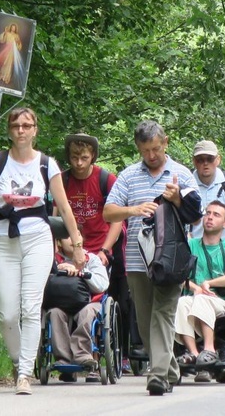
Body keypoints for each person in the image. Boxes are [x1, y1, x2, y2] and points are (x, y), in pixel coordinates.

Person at [0, 107, 84, 395]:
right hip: (4, 239)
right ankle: (17, 360)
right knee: (7, 314)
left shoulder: (46, 164)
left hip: (38, 239)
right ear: (10, 131)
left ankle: (25, 372)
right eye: (16, 126)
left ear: (35, 129)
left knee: (30, 306)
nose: (21, 130)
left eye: (27, 125)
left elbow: (64, 207)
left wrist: (77, 246)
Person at [103, 120, 200, 396]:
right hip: (137, 260)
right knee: (145, 322)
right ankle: (170, 369)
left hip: (171, 258)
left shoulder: (181, 174)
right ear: (138, 148)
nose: (152, 155)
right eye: (145, 150)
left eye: (156, 149)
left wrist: (178, 198)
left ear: (165, 142)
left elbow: (196, 214)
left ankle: (156, 376)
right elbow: (108, 212)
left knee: (163, 315)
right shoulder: (129, 176)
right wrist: (133, 210)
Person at [58, 133, 130, 370]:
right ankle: (64, 352)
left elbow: (117, 218)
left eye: (84, 158)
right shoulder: (62, 180)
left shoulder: (105, 179)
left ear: (93, 157)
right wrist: (59, 246)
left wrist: (105, 250)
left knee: (99, 296)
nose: (79, 163)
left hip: (99, 248)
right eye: (74, 157)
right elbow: (54, 218)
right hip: (70, 247)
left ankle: (95, 352)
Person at [175, 201, 225, 383]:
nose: (210, 217)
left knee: (202, 300)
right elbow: (178, 275)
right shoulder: (190, 245)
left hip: (222, 301)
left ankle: (209, 350)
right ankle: (195, 354)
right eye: (208, 213)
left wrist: (209, 283)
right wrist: (195, 287)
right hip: (195, 297)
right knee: (181, 302)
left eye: (216, 215)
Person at [48, 233, 110, 382]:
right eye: (67, 236)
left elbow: (103, 284)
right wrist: (58, 271)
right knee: (54, 313)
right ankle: (64, 360)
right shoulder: (53, 261)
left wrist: (81, 273)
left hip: (89, 302)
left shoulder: (92, 259)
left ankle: (82, 354)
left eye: (77, 235)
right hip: (61, 304)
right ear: (59, 242)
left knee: (87, 313)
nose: (74, 239)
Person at [189, 140, 225, 249]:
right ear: (194, 161)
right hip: (194, 251)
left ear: (218, 160)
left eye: (210, 159)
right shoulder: (187, 183)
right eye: (200, 159)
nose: (205, 163)